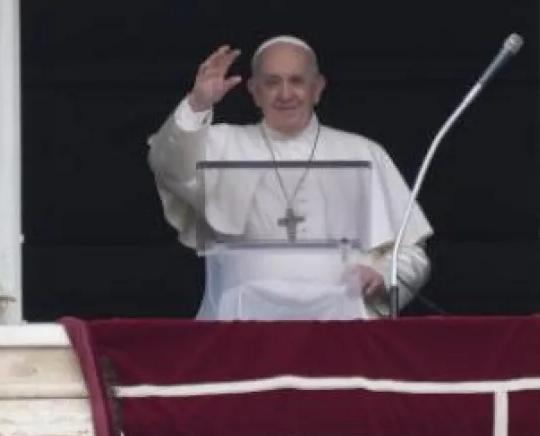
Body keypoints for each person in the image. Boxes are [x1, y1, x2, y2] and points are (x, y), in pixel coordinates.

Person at [147, 36, 433, 320]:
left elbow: (410, 254)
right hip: (239, 338)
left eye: (297, 81)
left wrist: (383, 277)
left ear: (317, 88)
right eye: (272, 82)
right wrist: (198, 104)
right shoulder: (222, 145)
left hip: (342, 337)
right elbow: (169, 165)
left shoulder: (364, 153)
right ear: (254, 91)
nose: (285, 94)